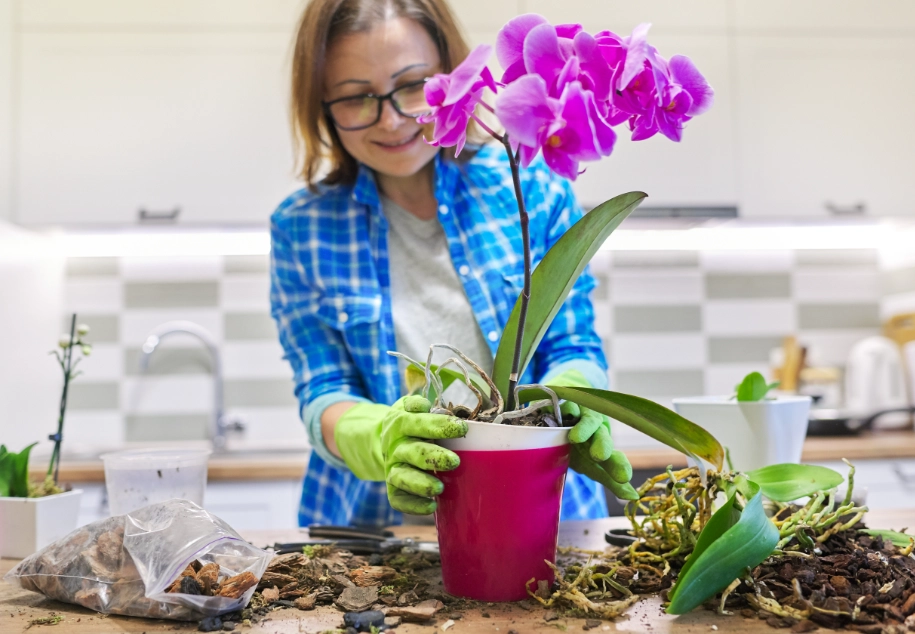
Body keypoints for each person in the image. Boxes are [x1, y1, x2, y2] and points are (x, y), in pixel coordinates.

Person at [270, 0, 635, 528]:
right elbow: (322, 387)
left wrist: (578, 392)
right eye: (355, 98)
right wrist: (376, 436)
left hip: (541, 516)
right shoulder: (302, 227)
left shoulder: (530, 190)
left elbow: (571, 343)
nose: (392, 119)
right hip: (377, 537)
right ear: (322, 105)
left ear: (454, 75)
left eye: (413, 85)